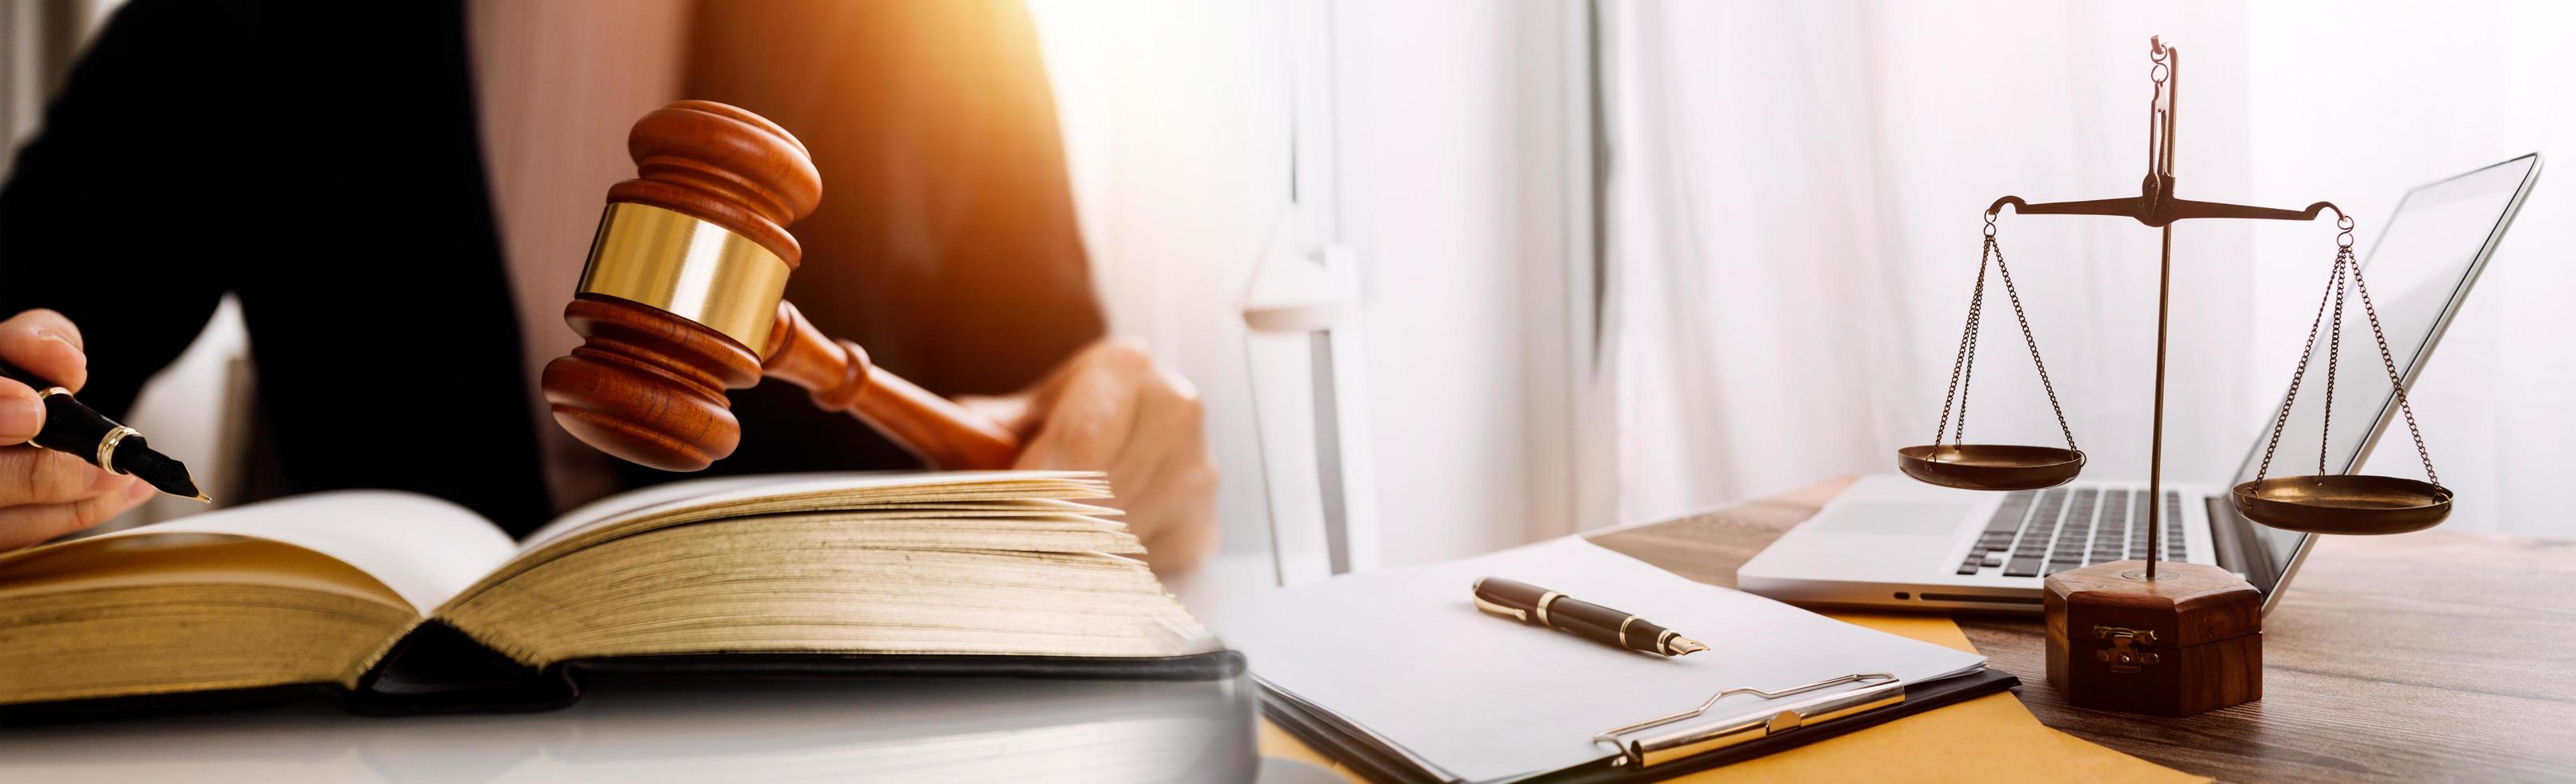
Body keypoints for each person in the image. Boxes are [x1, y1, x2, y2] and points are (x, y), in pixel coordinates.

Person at [0, 1, 1218, 572]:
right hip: (386, 729)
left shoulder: (938, 21)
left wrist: (1126, 433)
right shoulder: (233, 25)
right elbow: (29, 324)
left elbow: (1053, 381)